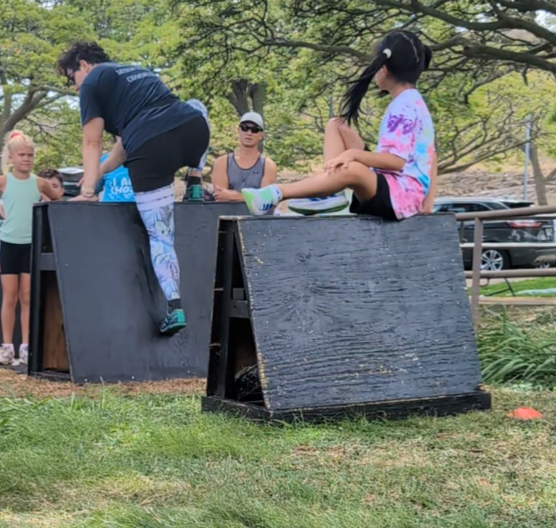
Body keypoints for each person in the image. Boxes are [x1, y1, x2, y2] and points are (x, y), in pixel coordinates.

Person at [56, 41, 210, 335]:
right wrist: (98, 175)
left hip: (151, 150)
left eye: (71, 78)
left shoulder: (92, 83)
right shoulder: (138, 72)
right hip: (192, 132)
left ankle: (175, 308)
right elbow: (122, 150)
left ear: (84, 65)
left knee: (161, 235)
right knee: (196, 108)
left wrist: (87, 192)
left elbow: (92, 141)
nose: (74, 87)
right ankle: (194, 178)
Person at [242, 30, 437, 220]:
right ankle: (330, 192)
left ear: (383, 69)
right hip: (393, 186)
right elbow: (430, 154)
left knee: (351, 168)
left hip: (399, 197)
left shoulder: (403, 107)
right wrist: (429, 200)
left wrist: (353, 154)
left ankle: (276, 194)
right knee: (336, 125)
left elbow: (396, 161)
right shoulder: (413, 102)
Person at [0, 131, 63, 366]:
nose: (27, 159)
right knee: (9, 296)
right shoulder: (2, 181)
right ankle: (6, 347)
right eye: (21, 155)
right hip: (10, 243)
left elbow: (56, 202)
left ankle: (26, 347)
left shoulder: (39, 183)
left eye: (30, 155)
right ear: (11, 158)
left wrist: (44, 206)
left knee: (27, 296)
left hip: (31, 244)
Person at [211, 111, 278, 201]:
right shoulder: (222, 163)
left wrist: (233, 196)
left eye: (255, 130)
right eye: (245, 128)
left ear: (261, 135)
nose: (249, 133)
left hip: (256, 215)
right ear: (238, 130)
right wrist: (253, 197)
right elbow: (220, 197)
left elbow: (265, 200)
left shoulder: (268, 166)